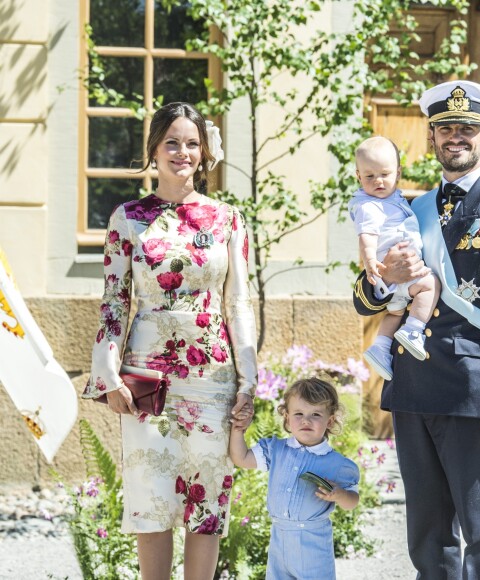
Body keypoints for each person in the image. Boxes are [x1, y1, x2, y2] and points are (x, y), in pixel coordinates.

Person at [352, 80, 480, 579]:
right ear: (432, 137)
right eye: (445, 129)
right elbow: (365, 296)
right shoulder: (406, 209)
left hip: (472, 391)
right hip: (413, 386)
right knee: (427, 533)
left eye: (467, 129)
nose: (455, 137)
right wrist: (384, 283)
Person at [82, 102, 257, 580]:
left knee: (207, 504)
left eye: (192, 143)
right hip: (147, 379)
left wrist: (249, 380)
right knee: (150, 499)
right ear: (155, 150)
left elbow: (238, 302)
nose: (183, 152)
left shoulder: (227, 219)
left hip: (213, 377)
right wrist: (108, 374)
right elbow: (114, 303)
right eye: (172, 142)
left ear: (204, 153)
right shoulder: (127, 217)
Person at [229, 377, 360, 580]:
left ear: (330, 420)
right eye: (298, 414)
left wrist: (340, 494)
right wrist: (238, 430)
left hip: (313, 544)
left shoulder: (337, 463)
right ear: (287, 418)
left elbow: (352, 502)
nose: (306, 420)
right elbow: (242, 458)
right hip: (279, 539)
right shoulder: (276, 450)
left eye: (315, 414)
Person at [349, 136, 440, 380]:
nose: (378, 181)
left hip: (456, 362)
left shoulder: (399, 201)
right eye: (370, 176)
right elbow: (366, 237)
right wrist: (381, 274)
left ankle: (380, 346)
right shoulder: (379, 205)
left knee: (395, 313)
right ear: (359, 176)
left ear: (398, 173)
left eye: (384, 174)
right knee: (430, 284)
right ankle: (413, 330)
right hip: (408, 373)